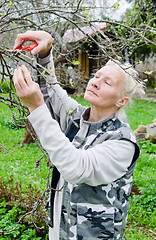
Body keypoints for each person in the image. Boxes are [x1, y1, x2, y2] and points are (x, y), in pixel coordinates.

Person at [13, 30, 144, 240]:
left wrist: (36, 108)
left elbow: (76, 167)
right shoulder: (78, 118)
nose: (95, 82)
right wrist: (45, 52)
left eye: (107, 82)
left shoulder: (123, 143)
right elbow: (51, 90)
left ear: (121, 101)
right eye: (97, 76)